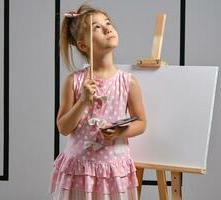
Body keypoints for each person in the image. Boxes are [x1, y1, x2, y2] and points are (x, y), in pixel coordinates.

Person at [49, 4, 146, 200]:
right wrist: (83, 101)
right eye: (97, 27)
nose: (107, 28)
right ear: (83, 45)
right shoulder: (74, 82)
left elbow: (141, 122)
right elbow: (64, 127)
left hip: (112, 169)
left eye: (108, 23)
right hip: (79, 169)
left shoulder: (128, 82)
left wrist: (120, 131)